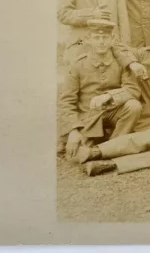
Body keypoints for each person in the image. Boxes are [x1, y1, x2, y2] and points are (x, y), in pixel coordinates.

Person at [58, 19, 142, 160]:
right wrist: (73, 130)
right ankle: (94, 145)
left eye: (105, 38)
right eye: (97, 38)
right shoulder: (78, 64)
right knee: (76, 156)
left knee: (134, 106)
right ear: (89, 40)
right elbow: (66, 101)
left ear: (112, 39)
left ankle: (113, 146)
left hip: (113, 112)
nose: (101, 42)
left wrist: (109, 96)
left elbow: (133, 89)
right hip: (87, 117)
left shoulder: (121, 62)